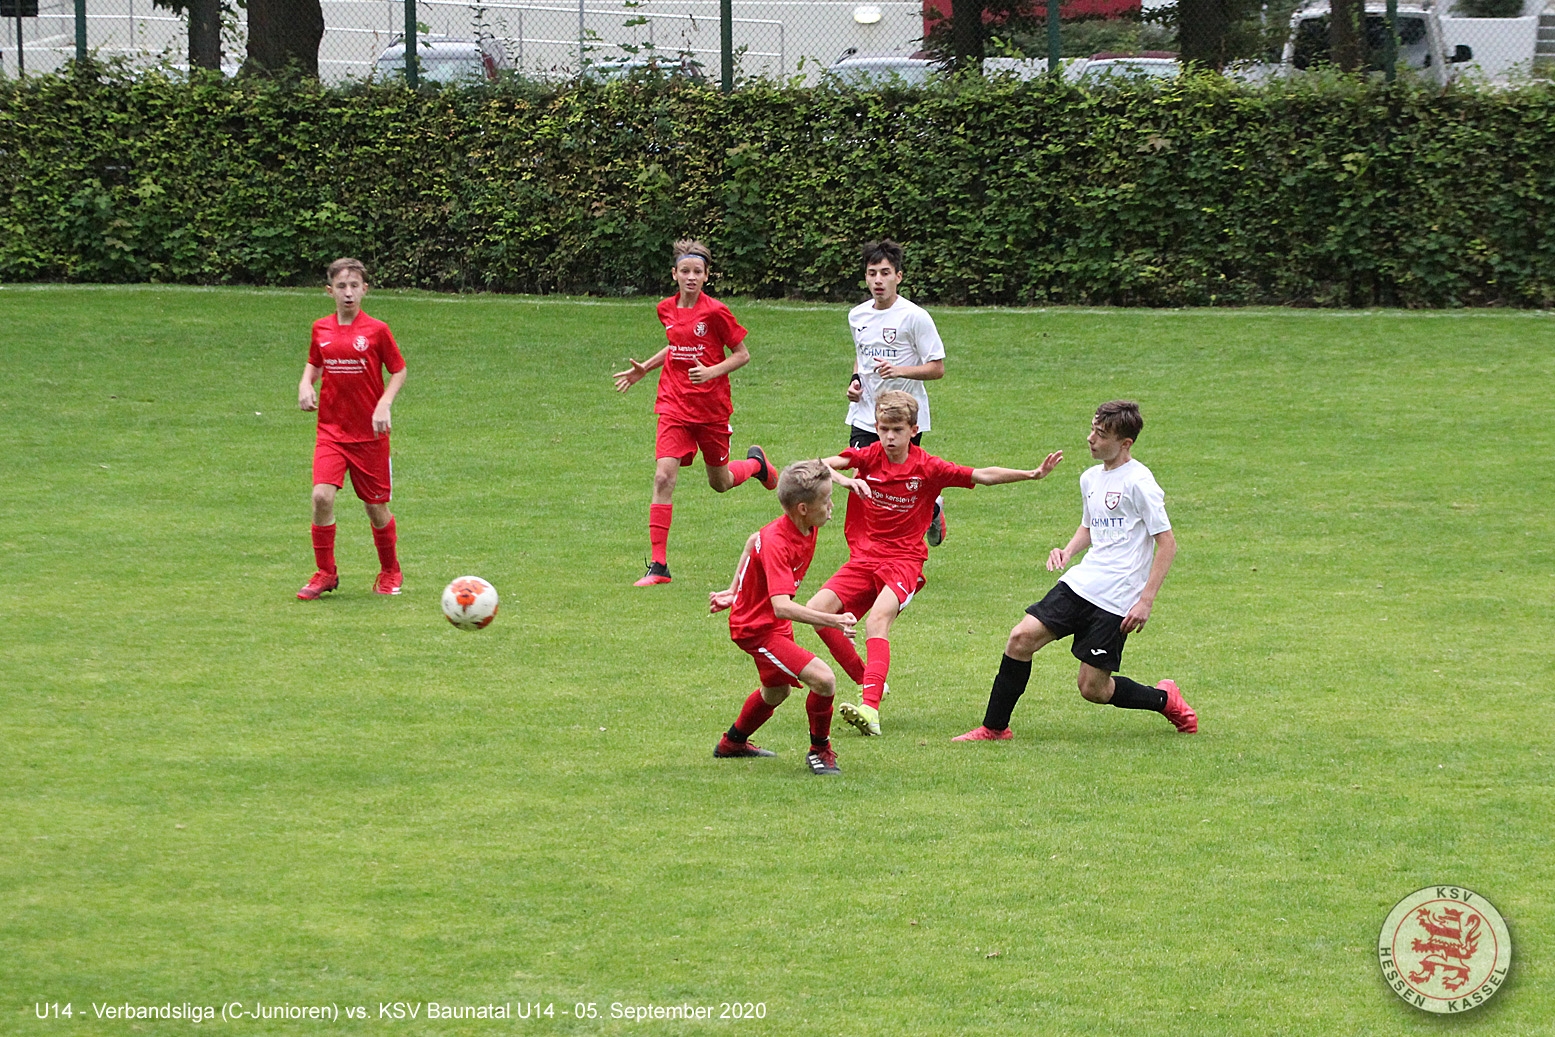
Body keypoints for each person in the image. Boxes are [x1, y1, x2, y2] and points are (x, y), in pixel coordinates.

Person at [808, 391, 1063, 737]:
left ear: (913, 430)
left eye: (897, 430)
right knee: (816, 611)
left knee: (877, 621)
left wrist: (1031, 474)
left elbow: (982, 475)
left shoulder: (928, 467)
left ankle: (870, 709)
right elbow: (818, 465)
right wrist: (847, 480)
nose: (889, 437)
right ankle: (868, 679)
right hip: (864, 558)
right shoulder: (867, 457)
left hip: (904, 562)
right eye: (883, 429)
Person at [954, 400, 1197, 742]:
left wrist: (1145, 601)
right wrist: (1067, 551)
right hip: (1082, 582)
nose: (1091, 439)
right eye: (1093, 430)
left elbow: (1167, 543)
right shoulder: (1090, 478)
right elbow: (1090, 526)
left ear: (1125, 443)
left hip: (1117, 597)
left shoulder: (1140, 482)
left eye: (1101, 434)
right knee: (1021, 638)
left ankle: (1165, 699)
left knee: (1093, 688)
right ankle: (994, 728)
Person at [613, 239, 776, 587]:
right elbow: (677, 345)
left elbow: (742, 354)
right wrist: (646, 368)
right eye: (685, 271)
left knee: (720, 482)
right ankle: (659, 566)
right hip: (673, 404)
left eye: (697, 272)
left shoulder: (716, 312)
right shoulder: (665, 309)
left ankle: (757, 465)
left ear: (706, 276)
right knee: (663, 477)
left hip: (711, 409)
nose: (691, 277)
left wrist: (712, 372)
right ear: (674, 274)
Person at [709, 460, 869, 776]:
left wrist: (733, 589)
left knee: (776, 691)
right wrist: (833, 620)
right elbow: (782, 606)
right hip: (756, 629)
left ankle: (732, 743)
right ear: (803, 509)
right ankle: (819, 752)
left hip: (772, 623)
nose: (831, 506)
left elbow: (752, 540)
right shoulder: (778, 543)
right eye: (826, 500)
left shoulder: (803, 523)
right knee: (823, 680)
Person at [296, 258, 407, 600]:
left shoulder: (377, 330)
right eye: (341, 286)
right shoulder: (321, 329)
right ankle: (325, 573)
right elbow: (315, 362)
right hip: (331, 431)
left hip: (370, 436)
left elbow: (399, 370)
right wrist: (306, 383)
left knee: (375, 508)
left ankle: (390, 570)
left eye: (354, 286)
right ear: (329, 291)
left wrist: (384, 403)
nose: (348, 293)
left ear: (364, 290)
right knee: (321, 496)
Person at [845, 239, 951, 548]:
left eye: (885, 273)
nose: (878, 280)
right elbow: (861, 357)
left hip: (904, 417)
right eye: (872, 273)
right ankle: (871, 549)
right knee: (865, 483)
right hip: (866, 415)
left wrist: (899, 370)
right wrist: (855, 381)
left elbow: (937, 368)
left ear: (898, 276)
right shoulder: (857, 316)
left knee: (899, 488)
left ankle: (931, 510)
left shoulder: (914, 317)